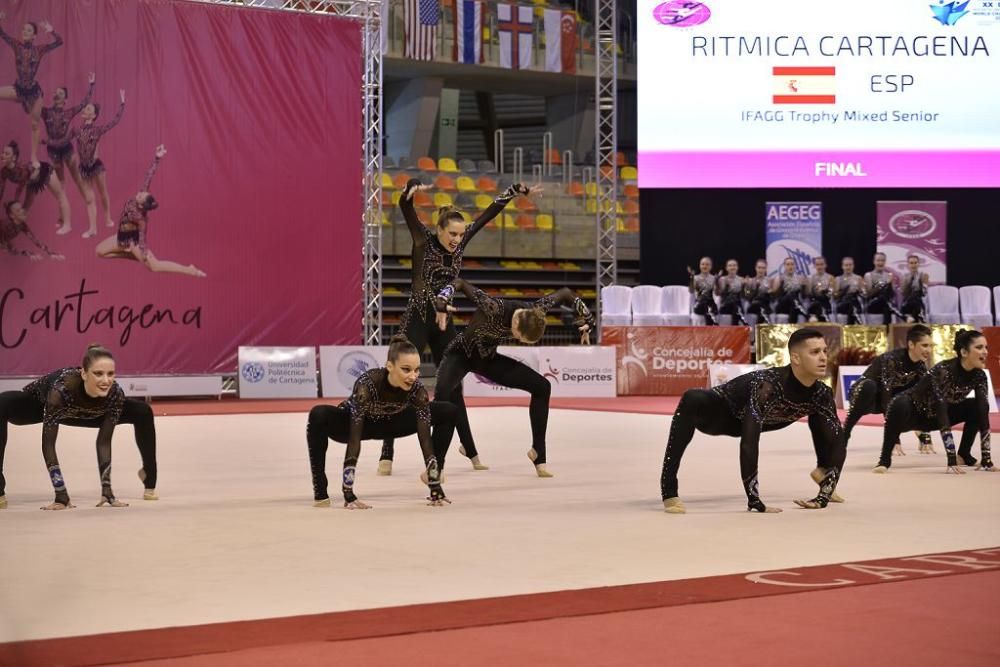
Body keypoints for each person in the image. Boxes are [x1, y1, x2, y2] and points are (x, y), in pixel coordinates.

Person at [377, 178, 540, 474]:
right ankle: (387, 449)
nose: (456, 239)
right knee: (399, 381)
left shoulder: (461, 240)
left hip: (444, 323)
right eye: (451, 233)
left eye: (460, 234)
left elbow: (488, 213)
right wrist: (409, 192)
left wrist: (514, 192)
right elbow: (406, 208)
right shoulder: (422, 240)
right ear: (439, 229)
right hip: (417, 319)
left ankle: (470, 448)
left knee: (454, 386)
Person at [660, 328, 845, 513]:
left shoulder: (822, 392)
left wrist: (824, 496)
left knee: (821, 411)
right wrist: (754, 499)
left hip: (766, 419)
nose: (823, 358)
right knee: (693, 397)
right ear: (795, 358)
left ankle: (823, 472)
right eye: (815, 352)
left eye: (824, 351)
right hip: (720, 415)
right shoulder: (767, 386)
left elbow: (838, 442)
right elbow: (749, 442)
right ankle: (669, 490)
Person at [432, 278, 593, 477]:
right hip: (461, 355)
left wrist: (587, 317)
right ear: (516, 322)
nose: (517, 339)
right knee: (443, 398)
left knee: (542, 387)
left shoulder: (536, 309)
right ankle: (436, 465)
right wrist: (442, 298)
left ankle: (538, 453)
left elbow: (567, 292)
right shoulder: (494, 307)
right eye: (518, 336)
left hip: (488, 360)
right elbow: (460, 283)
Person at [0, 344, 159, 510]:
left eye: (110, 374)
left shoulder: (115, 393)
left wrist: (107, 490)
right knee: (2, 402)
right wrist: (60, 492)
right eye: (98, 373)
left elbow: (103, 442)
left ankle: (149, 476)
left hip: (92, 412)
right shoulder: (61, 390)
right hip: (41, 407)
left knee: (143, 411)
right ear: (84, 373)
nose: (106, 380)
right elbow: (48, 445)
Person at [306, 335, 458, 509]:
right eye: (406, 369)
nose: (413, 376)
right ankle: (320, 488)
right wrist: (348, 491)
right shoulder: (368, 384)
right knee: (318, 414)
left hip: (392, 423)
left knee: (449, 410)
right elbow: (354, 439)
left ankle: (433, 474)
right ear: (389, 366)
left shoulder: (417, 390)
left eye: (417, 370)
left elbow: (425, 438)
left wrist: (434, 485)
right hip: (356, 424)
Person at [875, 329, 994, 474]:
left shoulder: (980, 376)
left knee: (978, 406)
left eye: (986, 347)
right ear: (964, 352)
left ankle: (963, 454)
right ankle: (884, 460)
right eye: (979, 347)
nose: (985, 352)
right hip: (914, 415)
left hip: (936, 417)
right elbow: (941, 409)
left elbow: (983, 412)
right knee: (899, 402)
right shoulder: (944, 370)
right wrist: (950, 460)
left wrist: (987, 459)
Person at [94, 145, 206, 277]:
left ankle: (190, 270)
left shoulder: (141, 219)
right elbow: (148, 176)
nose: (139, 193)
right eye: (141, 193)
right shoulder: (142, 195)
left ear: (141, 206)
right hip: (121, 238)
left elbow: (141, 236)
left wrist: (143, 251)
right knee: (99, 251)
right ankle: (132, 255)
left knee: (155, 267)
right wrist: (157, 159)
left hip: (133, 242)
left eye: (140, 196)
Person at [843, 325, 935, 455]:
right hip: (866, 396)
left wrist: (925, 434)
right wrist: (894, 438)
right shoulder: (891, 360)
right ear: (911, 344)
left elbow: (923, 400)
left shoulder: (920, 366)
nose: (929, 350)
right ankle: (844, 435)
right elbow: (887, 396)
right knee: (870, 386)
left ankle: (918, 431)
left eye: (931, 346)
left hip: (888, 398)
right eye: (925, 346)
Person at [0, 13, 62, 165]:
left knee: (35, 125)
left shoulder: (39, 50)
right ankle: (24, 104)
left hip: (34, 93)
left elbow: (59, 42)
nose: (25, 32)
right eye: (23, 30)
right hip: (19, 89)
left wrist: (51, 30)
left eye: (29, 31)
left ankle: (34, 157)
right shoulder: (16, 45)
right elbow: (2, 33)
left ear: (34, 36)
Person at [66, 89, 125, 237]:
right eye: (85, 108)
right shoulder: (77, 130)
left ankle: (107, 217)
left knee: (102, 192)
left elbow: (115, 121)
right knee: (89, 199)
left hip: (96, 166)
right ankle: (93, 228)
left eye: (88, 109)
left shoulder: (97, 130)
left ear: (93, 115)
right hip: (84, 168)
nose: (85, 109)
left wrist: (122, 103)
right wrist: (48, 142)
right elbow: (64, 140)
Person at [41, 72, 95, 218]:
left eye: (60, 93)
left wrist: (91, 84)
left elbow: (84, 103)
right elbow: (33, 107)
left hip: (66, 149)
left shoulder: (68, 113)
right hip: (53, 151)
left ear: (65, 99)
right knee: (61, 183)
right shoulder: (45, 112)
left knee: (77, 177)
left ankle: (88, 201)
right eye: (56, 92)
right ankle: (62, 215)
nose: (57, 94)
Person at [0, 139, 72, 231]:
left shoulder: (19, 169)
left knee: (60, 196)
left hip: (45, 171)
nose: (3, 155)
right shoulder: (4, 172)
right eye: (2, 152)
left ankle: (66, 224)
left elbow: (20, 187)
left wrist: (16, 200)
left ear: (14, 157)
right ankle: (10, 231)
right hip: (31, 182)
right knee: (24, 209)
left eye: (6, 154)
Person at [863, 252, 899, 325]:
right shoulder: (869, 275)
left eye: (882, 261)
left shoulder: (888, 275)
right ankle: (901, 316)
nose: (880, 263)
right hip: (873, 303)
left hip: (886, 304)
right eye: (878, 260)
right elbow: (869, 293)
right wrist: (884, 282)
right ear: (874, 262)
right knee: (885, 302)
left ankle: (886, 329)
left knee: (887, 304)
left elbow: (892, 294)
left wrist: (891, 284)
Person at [771, 257, 806, 323]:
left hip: (794, 305)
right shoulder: (779, 278)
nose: (790, 266)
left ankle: (791, 326)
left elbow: (804, 296)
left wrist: (803, 286)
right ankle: (806, 314)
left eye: (792, 264)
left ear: (795, 266)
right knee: (791, 295)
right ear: (784, 266)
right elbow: (774, 296)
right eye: (788, 264)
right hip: (782, 305)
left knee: (794, 306)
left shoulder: (800, 278)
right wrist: (780, 285)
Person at [900, 254, 929, 323]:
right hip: (907, 303)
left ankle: (913, 319)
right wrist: (909, 280)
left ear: (919, 264)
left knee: (916, 298)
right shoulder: (904, 277)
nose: (914, 265)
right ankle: (913, 319)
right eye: (911, 263)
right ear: (908, 265)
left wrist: (923, 283)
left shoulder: (923, 275)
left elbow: (924, 293)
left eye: (915, 263)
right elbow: (903, 293)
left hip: (918, 303)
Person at [688, 256, 718, 325]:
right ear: (700, 266)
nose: (705, 266)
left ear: (711, 266)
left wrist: (716, 282)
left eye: (707, 264)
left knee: (710, 307)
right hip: (700, 303)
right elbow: (691, 291)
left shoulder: (713, 278)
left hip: (710, 303)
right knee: (703, 306)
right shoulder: (696, 278)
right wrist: (691, 278)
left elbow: (716, 293)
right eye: (703, 264)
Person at [715, 259, 746, 325]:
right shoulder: (722, 279)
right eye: (730, 266)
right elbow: (718, 293)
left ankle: (735, 329)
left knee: (737, 307)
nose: (732, 267)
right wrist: (717, 282)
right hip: (725, 305)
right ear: (726, 268)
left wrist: (743, 287)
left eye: (734, 265)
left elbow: (743, 296)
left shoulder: (741, 279)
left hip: (737, 305)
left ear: (737, 267)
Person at [834, 257, 864, 324]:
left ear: (853, 266)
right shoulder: (838, 279)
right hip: (842, 303)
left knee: (853, 304)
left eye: (850, 265)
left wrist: (858, 291)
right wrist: (845, 289)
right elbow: (835, 296)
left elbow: (863, 293)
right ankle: (853, 323)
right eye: (846, 265)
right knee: (850, 304)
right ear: (842, 266)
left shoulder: (858, 278)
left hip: (855, 302)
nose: (848, 267)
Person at [806, 256, 834, 322]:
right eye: (817, 265)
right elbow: (808, 294)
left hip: (825, 303)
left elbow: (831, 294)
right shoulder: (810, 278)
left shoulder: (830, 278)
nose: (819, 267)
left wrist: (824, 290)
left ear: (825, 265)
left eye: (821, 264)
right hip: (814, 303)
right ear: (814, 266)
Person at [744, 259, 771, 324]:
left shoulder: (769, 281)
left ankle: (759, 328)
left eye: (763, 268)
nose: (761, 270)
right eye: (759, 268)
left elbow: (772, 295)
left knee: (764, 307)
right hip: (753, 304)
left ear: (766, 269)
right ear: (756, 268)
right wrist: (747, 287)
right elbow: (747, 295)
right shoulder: (751, 281)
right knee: (759, 306)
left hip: (765, 304)